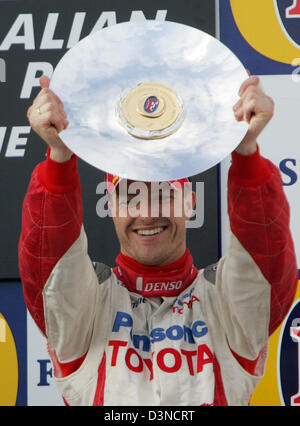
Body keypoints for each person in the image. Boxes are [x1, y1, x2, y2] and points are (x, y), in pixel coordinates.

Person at [19, 74, 298, 406]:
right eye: (130, 195)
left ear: (190, 202)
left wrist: (246, 150)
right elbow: (51, 262)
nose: (147, 213)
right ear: (110, 206)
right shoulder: (85, 310)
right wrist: (59, 155)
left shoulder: (227, 307)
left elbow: (264, 258)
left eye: (163, 193)